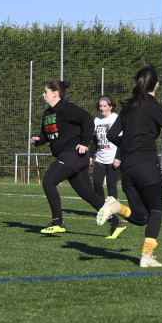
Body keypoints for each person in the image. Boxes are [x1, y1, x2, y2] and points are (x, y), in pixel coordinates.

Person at [96, 66, 162, 268]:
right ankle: (146, 258)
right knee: (156, 211)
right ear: (157, 84)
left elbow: (112, 136)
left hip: (127, 169)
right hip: (147, 165)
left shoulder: (128, 107)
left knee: (141, 217)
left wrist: (129, 147)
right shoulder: (156, 107)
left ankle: (115, 207)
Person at [30, 80, 124, 238]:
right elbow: (48, 134)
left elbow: (87, 119)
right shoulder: (48, 114)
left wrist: (84, 143)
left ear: (55, 93)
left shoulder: (67, 108)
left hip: (73, 154)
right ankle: (116, 223)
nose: (43, 94)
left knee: (48, 181)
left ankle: (58, 222)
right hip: (69, 157)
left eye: (45, 91)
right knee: (88, 195)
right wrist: (39, 139)